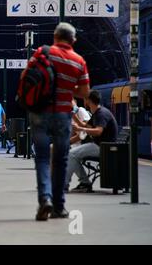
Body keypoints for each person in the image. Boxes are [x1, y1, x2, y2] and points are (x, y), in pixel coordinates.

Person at [26, 22, 90, 221]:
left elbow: (27, 77)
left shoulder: (42, 53)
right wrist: (68, 87)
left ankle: (44, 199)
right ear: (73, 40)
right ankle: (59, 206)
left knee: (43, 159)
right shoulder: (78, 60)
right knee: (61, 159)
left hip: (39, 113)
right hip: (63, 115)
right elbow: (85, 92)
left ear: (55, 37)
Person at [66, 90, 118, 192]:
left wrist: (81, 129)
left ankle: (74, 184)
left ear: (88, 101)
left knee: (71, 155)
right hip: (102, 146)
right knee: (72, 155)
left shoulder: (101, 114)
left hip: (103, 147)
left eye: (85, 99)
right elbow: (86, 125)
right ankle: (84, 182)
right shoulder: (97, 112)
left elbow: (98, 131)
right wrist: (73, 116)